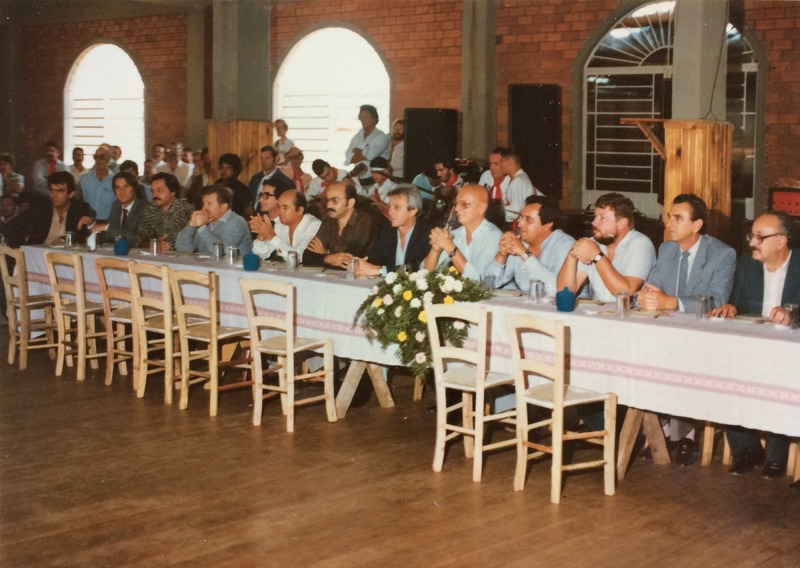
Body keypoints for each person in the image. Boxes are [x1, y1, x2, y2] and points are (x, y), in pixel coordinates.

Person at [637, 194, 736, 464]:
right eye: (669, 217)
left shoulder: (722, 254)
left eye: (677, 218)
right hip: (668, 333)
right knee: (645, 357)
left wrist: (671, 302)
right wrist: (645, 296)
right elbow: (652, 287)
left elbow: (717, 299)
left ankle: (686, 436)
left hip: (704, 336)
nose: (669, 223)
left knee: (681, 359)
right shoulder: (667, 249)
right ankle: (664, 429)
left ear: (697, 225)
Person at [709, 211, 800, 480]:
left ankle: (776, 455)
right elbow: (737, 303)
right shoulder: (746, 266)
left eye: (760, 237)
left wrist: (793, 315)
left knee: (785, 382)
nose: (752, 242)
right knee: (723, 373)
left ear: (782, 240)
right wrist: (731, 307)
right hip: (754, 350)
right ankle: (746, 450)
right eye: (751, 236)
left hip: (790, 354)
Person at [557, 192, 656, 303]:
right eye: (595, 217)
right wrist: (572, 255)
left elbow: (626, 292)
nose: (594, 222)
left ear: (622, 223)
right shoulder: (593, 243)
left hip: (631, 312)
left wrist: (597, 256)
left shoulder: (641, 244)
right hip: (598, 312)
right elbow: (564, 291)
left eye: (602, 218)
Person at [486, 196, 575, 295]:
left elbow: (557, 290)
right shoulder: (520, 242)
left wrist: (525, 254)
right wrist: (501, 255)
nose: (520, 224)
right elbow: (489, 284)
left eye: (528, 219)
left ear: (547, 225)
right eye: (521, 217)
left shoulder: (565, 245)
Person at [424, 184, 502, 281]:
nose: (456, 208)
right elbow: (425, 274)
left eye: (464, 204)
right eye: (456, 203)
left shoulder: (494, 236)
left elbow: (479, 279)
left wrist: (450, 248)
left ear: (482, 208)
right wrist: (435, 250)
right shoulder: (455, 234)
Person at [303, 182, 384, 269]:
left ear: (350, 203)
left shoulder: (365, 222)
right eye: (327, 200)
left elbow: (348, 263)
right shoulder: (329, 219)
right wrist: (327, 258)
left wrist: (324, 256)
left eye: (335, 200)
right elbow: (307, 258)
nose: (328, 205)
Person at [360, 185, 432, 277]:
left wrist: (380, 270)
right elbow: (375, 259)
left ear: (413, 210)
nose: (390, 212)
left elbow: (416, 268)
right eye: (390, 206)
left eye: (396, 207)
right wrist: (362, 264)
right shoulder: (388, 230)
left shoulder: (427, 233)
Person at [176, 185, 252, 255]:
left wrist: (202, 227)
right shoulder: (207, 220)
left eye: (209, 204)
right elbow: (183, 248)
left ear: (223, 207)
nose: (204, 208)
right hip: (206, 264)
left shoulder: (237, 222)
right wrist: (191, 225)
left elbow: (222, 252)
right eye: (204, 203)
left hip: (233, 265)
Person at [250, 189, 321, 261]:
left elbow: (299, 257)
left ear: (300, 210)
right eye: (279, 207)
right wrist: (261, 237)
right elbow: (260, 254)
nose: (280, 212)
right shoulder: (281, 224)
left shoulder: (314, 225)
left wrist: (271, 236)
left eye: (285, 208)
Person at [136, 172, 195, 251]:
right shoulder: (150, 209)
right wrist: (154, 243)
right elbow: (140, 240)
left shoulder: (187, 210)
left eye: (159, 190)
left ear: (173, 191)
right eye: (152, 191)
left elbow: (193, 242)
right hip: (156, 255)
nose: (154, 195)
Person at [89, 171, 148, 245]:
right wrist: (91, 225)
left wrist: (106, 228)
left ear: (134, 189)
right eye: (118, 187)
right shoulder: (116, 206)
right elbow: (106, 236)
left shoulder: (145, 208)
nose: (122, 191)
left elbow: (137, 239)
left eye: (126, 187)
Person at [40, 171, 95, 245]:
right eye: (52, 190)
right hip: (39, 250)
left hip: (67, 251)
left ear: (71, 194)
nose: (54, 195)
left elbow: (82, 236)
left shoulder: (80, 209)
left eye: (59, 191)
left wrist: (63, 239)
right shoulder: (41, 208)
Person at [344, 104, 390, 188]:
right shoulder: (357, 137)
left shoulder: (382, 137)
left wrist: (358, 152)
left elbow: (370, 155)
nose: (362, 119)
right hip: (358, 181)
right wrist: (364, 151)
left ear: (374, 119)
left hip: (377, 181)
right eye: (361, 116)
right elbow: (348, 158)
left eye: (365, 116)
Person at [500, 148, 538, 222]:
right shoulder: (521, 177)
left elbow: (514, 212)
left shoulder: (518, 181)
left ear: (510, 162)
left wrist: (495, 211)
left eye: (502, 161)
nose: (500, 165)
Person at [76, 148, 115, 221]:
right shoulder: (84, 179)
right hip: (87, 222)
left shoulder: (115, 180)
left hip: (108, 223)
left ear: (108, 159)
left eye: (102, 157)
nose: (98, 160)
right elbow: (77, 201)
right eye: (96, 157)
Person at [216, 153, 254, 219]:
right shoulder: (217, 184)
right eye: (222, 167)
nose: (224, 171)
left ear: (235, 170)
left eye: (228, 168)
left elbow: (249, 212)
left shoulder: (242, 189)